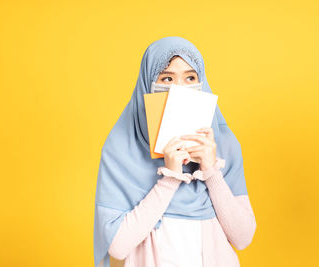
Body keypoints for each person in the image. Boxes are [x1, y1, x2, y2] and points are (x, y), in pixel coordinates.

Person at [93, 36, 257, 267]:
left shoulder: (226, 146)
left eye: (190, 78)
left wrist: (210, 171)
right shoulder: (120, 147)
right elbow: (118, 246)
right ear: (148, 85)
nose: (179, 89)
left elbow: (242, 238)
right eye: (167, 78)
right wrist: (170, 178)